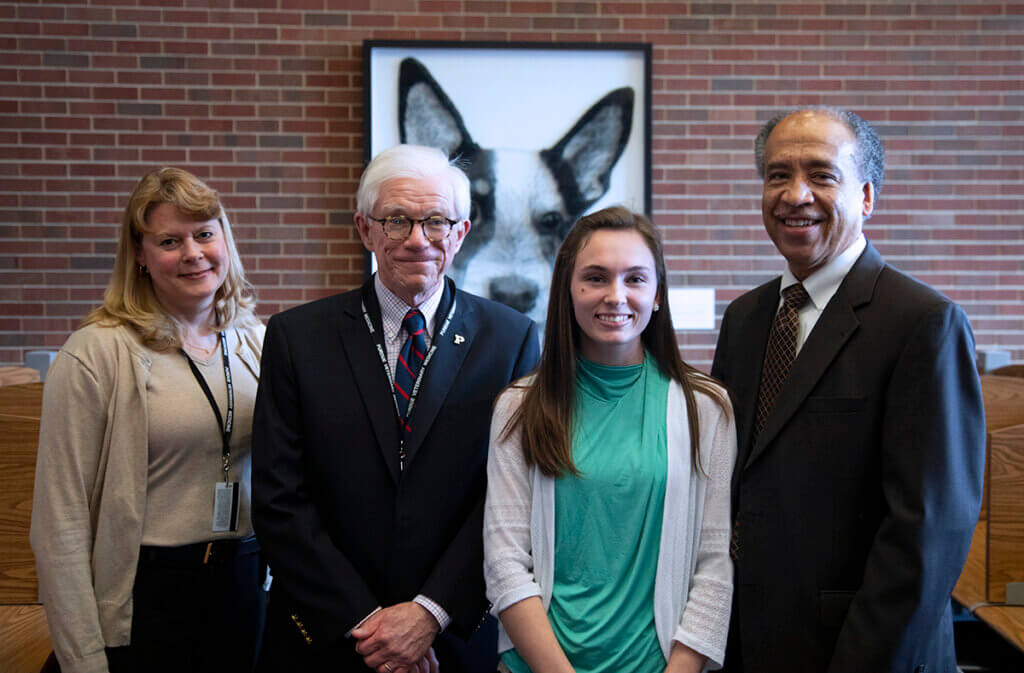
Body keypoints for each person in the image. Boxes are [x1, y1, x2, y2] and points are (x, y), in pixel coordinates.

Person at [712, 107, 985, 673]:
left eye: (821, 175)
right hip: (747, 643)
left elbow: (928, 531)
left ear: (865, 196)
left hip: (862, 651)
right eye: (777, 174)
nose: (795, 194)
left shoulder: (923, 323)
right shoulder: (745, 318)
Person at [252, 144, 541, 673]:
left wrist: (428, 614)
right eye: (397, 221)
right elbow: (278, 498)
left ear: (460, 233)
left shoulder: (512, 339)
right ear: (365, 229)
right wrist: (368, 622)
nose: (416, 240)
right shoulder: (297, 337)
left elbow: (510, 500)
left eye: (435, 222)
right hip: (327, 639)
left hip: (453, 640)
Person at [30, 167, 267, 673]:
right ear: (139, 255)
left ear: (225, 238)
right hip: (147, 597)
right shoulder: (96, 353)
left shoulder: (257, 342)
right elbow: (60, 522)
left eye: (205, 233)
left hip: (243, 588)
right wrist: (82, 658)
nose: (193, 253)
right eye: (168, 240)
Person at [484, 206, 737, 673]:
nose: (615, 296)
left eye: (635, 279)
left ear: (658, 294)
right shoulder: (519, 407)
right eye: (596, 277)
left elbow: (714, 565)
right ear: (568, 290)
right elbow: (504, 566)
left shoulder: (706, 407)